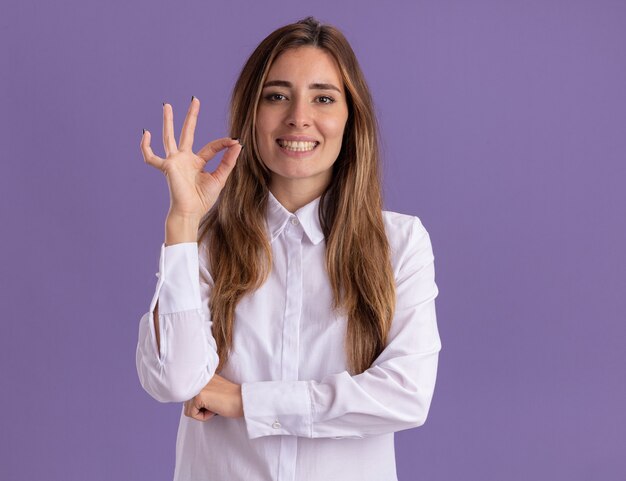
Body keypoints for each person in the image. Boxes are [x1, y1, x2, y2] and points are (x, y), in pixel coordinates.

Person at [136, 16, 442, 481]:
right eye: (277, 96)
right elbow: (174, 380)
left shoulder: (399, 243)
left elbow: (406, 394)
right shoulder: (205, 242)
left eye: (323, 97)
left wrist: (247, 403)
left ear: (349, 117)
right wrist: (182, 222)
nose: (299, 117)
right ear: (251, 115)